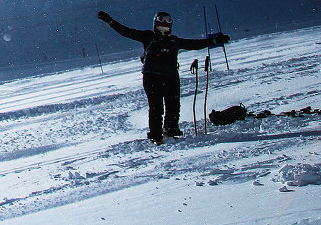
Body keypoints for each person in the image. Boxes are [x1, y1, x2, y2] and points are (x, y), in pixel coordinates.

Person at [97, 10, 230, 143]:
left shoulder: (174, 40)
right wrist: (110, 21)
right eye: (162, 21)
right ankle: (156, 134)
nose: (165, 24)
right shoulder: (148, 36)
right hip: (152, 77)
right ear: (155, 23)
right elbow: (125, 31)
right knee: (156, 107)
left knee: (173, 105)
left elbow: (194, 44)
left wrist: (213, 41)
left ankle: (171, 130)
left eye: (168, 21)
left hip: (171, 77)